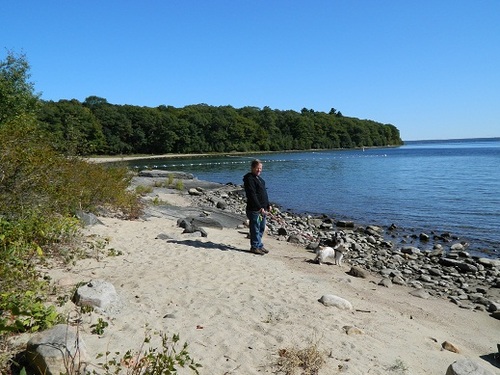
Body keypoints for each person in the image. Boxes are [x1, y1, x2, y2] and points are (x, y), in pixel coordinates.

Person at [243, 159, 271, 255]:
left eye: (260, 168)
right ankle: (254, 246)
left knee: (261, 227)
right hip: (254, 209)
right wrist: (259, 207)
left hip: (263, 209)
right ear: (252, 168)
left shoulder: (260, 180)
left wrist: (267, 205)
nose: (259, 170)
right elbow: (252, 194)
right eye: (257, 168)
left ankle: (259, 245)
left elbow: (264, 193)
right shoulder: (249, 179)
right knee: (255, 228)